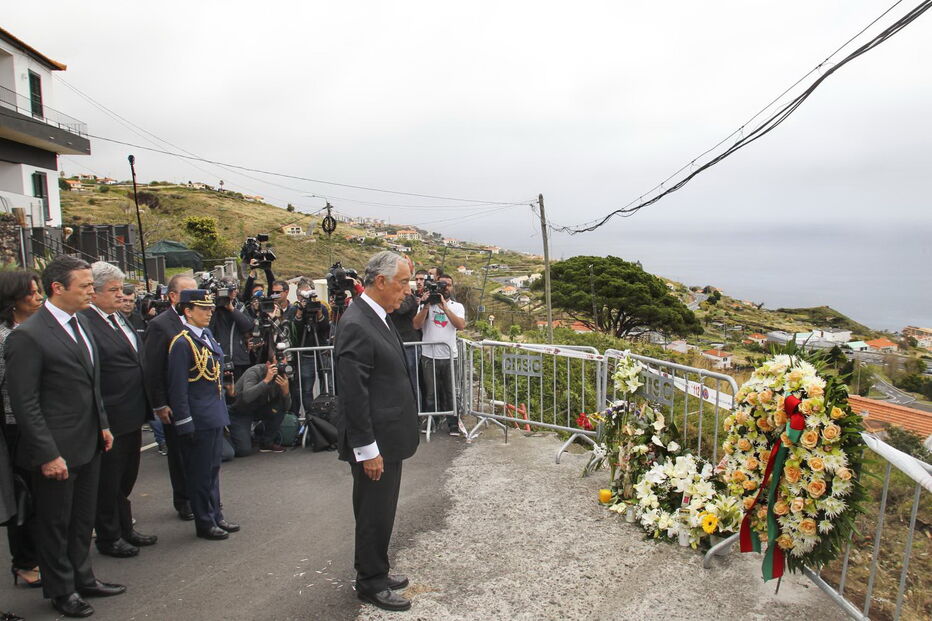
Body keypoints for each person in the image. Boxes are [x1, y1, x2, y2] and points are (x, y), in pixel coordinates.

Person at [5, 256, 124, 618]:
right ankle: (61, 590)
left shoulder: (81, 323)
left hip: (89, 442)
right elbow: (25, 402)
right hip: (56, 449)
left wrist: (102, 424)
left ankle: (83, 578)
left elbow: (90, 383)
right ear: (57, 288)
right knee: (55, 523)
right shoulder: (28, 336)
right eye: (85, 286)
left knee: (81, 520)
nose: (91, 291)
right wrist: (47, 453)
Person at [335, 251, 418, 612]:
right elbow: (354, 393)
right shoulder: (357, 323)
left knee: (382, 511)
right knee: (374, 513)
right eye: (403, 282)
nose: (408, 290)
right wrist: (367, 448)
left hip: (388, 436)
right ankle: (370, 581)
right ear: (381, 281)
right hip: (375, 442)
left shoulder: (377, 315)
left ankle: (377, 569)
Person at [82, 262, 157, 559]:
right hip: (111, 414)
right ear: (95, 292)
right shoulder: (87, 322)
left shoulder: (119, 318)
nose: (120, 295)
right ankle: (109, 535)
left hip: (133, 411)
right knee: (109, 480)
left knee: (126, 476)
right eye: (113, 290)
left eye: (120, 289)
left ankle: (125, 527)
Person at [167, 289, 238, 541]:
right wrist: (185, 422)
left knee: (212, 469)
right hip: (198, 416)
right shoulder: (182, 343)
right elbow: (178, 389)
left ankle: (216, 514)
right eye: (203, 309)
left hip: (213, 413)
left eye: (210, 308)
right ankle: (205, 521)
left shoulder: (206, 335)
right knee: (200, 473)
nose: (209, 313)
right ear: (188, 311)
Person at [0, 269, 44, 590]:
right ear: (12, 299)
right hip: (16, 427)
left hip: (42, 421)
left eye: (38, 290)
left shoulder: (37, 329)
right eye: (30, 292)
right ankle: (25, 562)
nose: (38, 297)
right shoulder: (5, 338)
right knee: (22, 495)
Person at [143, 274, 197, 521]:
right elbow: (153, 368)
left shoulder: (198, 318)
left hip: (198, 398)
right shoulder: (160, 325)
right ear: (173, 296)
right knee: (180, 453)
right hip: (175, 401)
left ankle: (202, 497)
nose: (194, 297)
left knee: (200, 452)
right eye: (187, 292)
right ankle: (184, 500)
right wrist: (160, 403)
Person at [413, 273, 466, 435]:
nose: (444, 288)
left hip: (450, 356)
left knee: (451, 392)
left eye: (447, 285)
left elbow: (460, 325)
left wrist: (445, 308)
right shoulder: (426, 305)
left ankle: (453, 423)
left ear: (451, 287)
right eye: (441, 284)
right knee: (431, 392)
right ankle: (432, 420)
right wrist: (426, 305)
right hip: (429, 356)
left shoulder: (457, 306)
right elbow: (416, 325)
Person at [229, 361, 291, 455]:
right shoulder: (254, 372)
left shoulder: (282, 376)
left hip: (258, 408)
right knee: (244, 450)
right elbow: (247, 397)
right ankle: (228, 435)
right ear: (268, 364)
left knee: (278, 408)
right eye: (278, 364)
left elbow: (286, 408)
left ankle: (266, 442)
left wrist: (286, 392)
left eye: (284, 364)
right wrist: (266, 380)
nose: (281, 367)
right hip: (240, 411)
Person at [287, 280, 331, 411]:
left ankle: (325, 413)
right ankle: (310, 414)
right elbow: (295, 331)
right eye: (303, 295)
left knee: (327, 385)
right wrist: (300, 313)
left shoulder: (321, 307)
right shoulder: (294, 309)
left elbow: (325, 329)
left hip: (321, 352)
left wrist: (319, 313)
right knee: (306, 388)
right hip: (305, 354)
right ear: (298, 296)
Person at [208, 280, 253, 381]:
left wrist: (232, 309)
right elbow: (208, 329)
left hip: (238, 359)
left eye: (234, 289)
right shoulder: (213, 308)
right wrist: (212, 308)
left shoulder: (239, 306)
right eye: (229, 290)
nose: (233, 292)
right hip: (218, 358)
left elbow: (248, 326)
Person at [389, 265, 424, 394]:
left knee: (412, 381)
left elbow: (401, 309)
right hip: (396, 343)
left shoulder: (409, 297)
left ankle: (416, 406)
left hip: (410, 344)